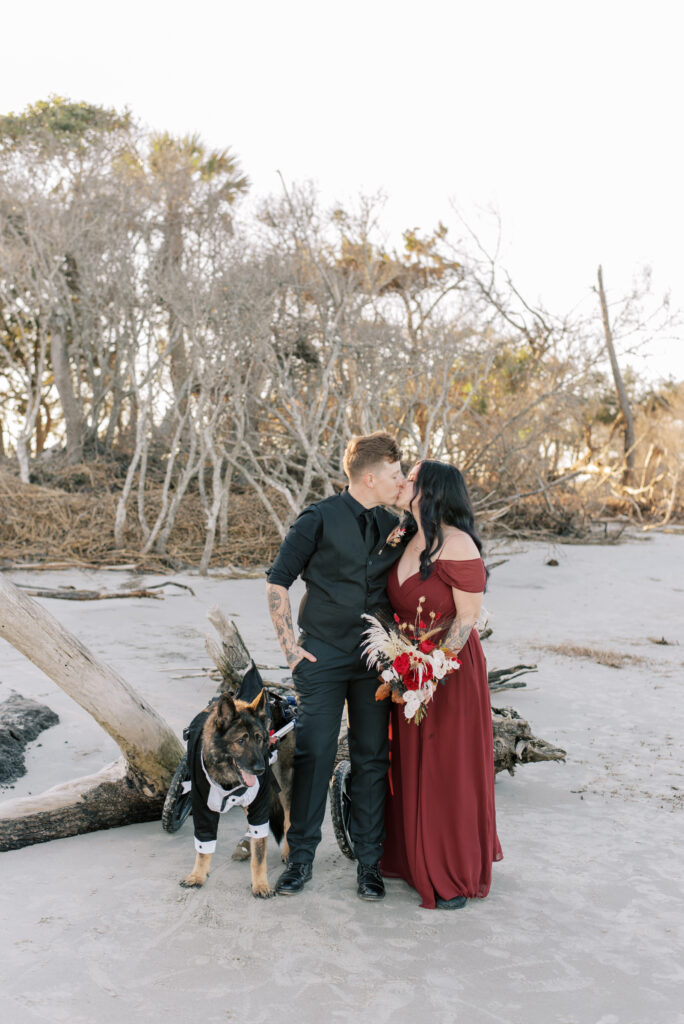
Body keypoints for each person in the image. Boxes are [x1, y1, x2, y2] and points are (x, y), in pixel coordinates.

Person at [266, 432, 407, 900]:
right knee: (315, 756)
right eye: (394, 474)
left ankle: (369, 863)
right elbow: (277, 583)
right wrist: (289, 649)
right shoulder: (318, 519)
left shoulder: (395, 523)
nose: (400, 481)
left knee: (371, 758)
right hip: (322, 656)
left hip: (374, 660)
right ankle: (300, 858)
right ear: (369, 476)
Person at [380, 460, 503, 909]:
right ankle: (413, 860)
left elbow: (468, 619)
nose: (404, 483)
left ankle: (450, 869)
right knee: (409, 764)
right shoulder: (406, 537)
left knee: (445, 767)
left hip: (447, 673)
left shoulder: (457, 544)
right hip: (407, 669)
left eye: (411, 478)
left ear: (431, 490)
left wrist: (432, 670)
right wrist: (405, 668)